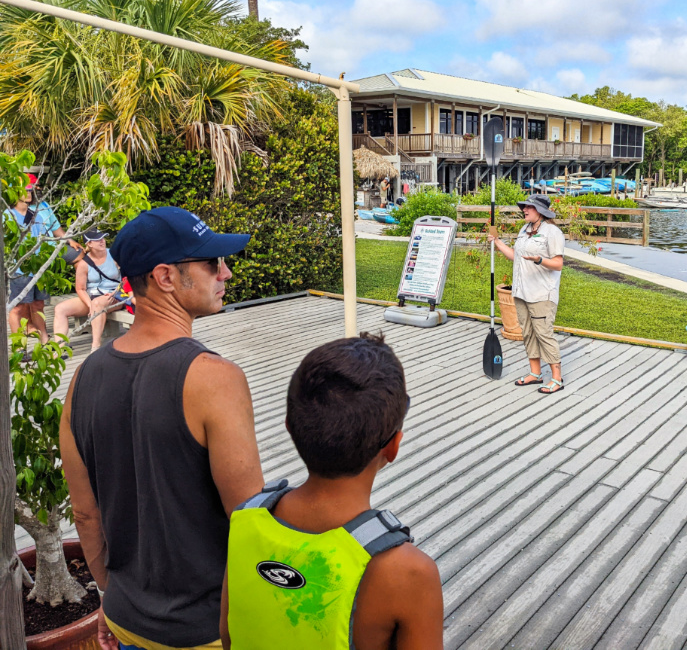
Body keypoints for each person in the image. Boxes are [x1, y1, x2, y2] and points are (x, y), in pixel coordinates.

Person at [59, 207, 264, 650]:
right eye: (212, 263)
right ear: (166, 276)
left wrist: (108, 599)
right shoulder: (215, 378)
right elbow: (249, 524)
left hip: (126, 619)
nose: (225, 272)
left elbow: (85, 514)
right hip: (206, 630)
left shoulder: (82, 379)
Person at [220, 333, 443, 649]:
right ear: (393, 447)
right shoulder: (408, 572)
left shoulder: (245, 519)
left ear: (289, 425)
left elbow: (230, 638)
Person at [488, 194, 566, 394]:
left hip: (541, 294)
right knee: (528, 333)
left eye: (528, 207)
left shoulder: (552, 232)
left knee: (544, 334)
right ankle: (535, 373)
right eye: (524, 207)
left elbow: (558, 264)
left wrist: (540, 260)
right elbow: (517, 258)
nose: (524, 210)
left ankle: (557, 378)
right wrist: (497, 242)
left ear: (539, 211)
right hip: (521, 292)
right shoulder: (525, 230)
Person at [5, 174, 82, 343]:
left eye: (30, 189)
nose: (30, 192)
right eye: (25, 190)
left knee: (39, 305)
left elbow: (50, 233)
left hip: (40, 266)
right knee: (16, 309)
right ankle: (19, 347)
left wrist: (68, 241)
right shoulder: (6, 215)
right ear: (15, 193)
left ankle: (45, 342)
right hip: (19, 269)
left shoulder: (38, 211)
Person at [52, 229, 123, 353]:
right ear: (89, 243)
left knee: (97, 304)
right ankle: (60, 347)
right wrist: (89, 305)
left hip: (114, 295)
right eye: (97, 239)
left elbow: (128, 277)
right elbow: (80, 288)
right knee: (60, 308)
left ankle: (95, 347)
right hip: (92, 296)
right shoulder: (84, 264)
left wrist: (117, 291)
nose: (102, 241)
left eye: (103, 238)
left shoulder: (115, 255)